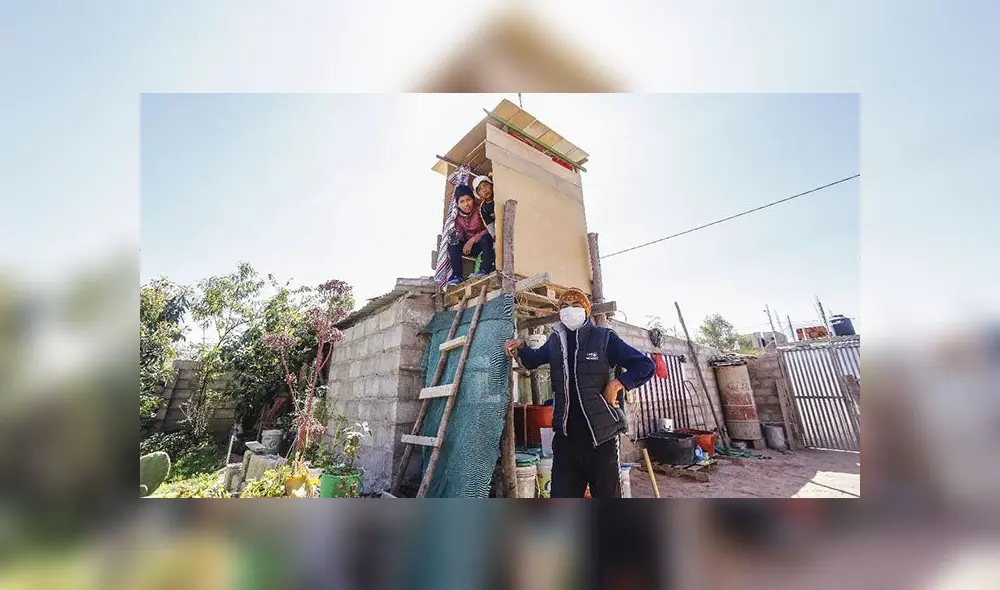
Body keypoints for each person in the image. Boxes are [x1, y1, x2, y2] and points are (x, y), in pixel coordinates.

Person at [504, 289, 655, 498]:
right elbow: (532, 360)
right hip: (567, 440)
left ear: (586, 310)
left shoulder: (603, 338)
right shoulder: (555, 341)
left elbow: (645, 365)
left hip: (601, 438)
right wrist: (520, 347)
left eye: (575, 304)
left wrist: (616, 385)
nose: (569, 309)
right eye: (564, 306)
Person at [447, 183, 495, 286]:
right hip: (469, 249)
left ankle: (483, 270)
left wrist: (472, 240)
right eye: (462, 201)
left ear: (473, 199)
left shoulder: (480, 210)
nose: (466, 204)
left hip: (484, 246)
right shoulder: (457, 218)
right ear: (458, 204)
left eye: (468, 200)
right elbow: (459, 235)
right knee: (452, 243)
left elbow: (489, 229)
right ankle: (457, 276)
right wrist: (455, 237)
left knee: (486, 238)